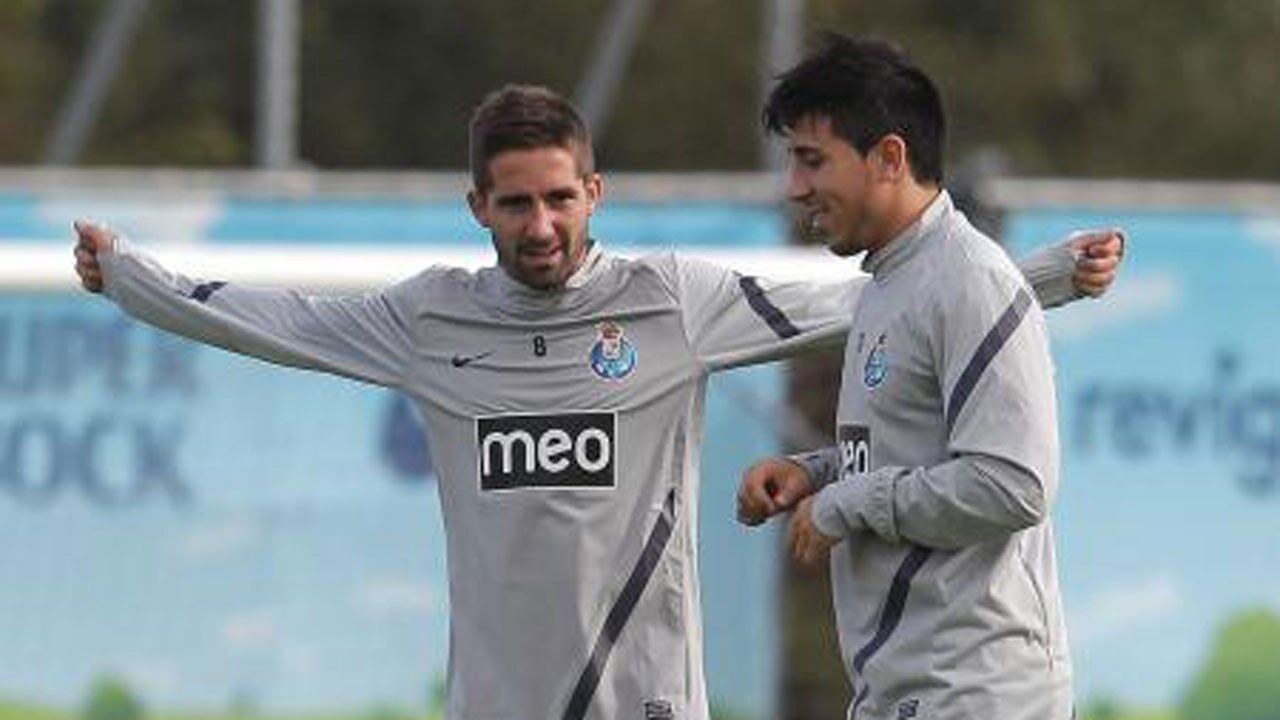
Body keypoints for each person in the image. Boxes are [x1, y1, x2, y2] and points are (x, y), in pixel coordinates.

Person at [74, 84, 1118, 720]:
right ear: (478, 207)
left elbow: (858, 303)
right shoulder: (428, 320)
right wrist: (131, 278)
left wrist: (1043, 278)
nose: (540, 225)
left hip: (648, 699)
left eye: (559, 198)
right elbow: (275, 320)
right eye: (515, 203)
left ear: (594, 193)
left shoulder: (671, 302)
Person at [736, 35, 1103, 719]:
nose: (794, 187)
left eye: (812, 160)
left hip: (977, 695)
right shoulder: (890, 281)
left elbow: (1013, 484)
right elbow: (912, 450)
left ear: (889, 157)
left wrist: (847, 502)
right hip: (907, 692)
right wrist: (815, 473)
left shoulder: (970, 281)